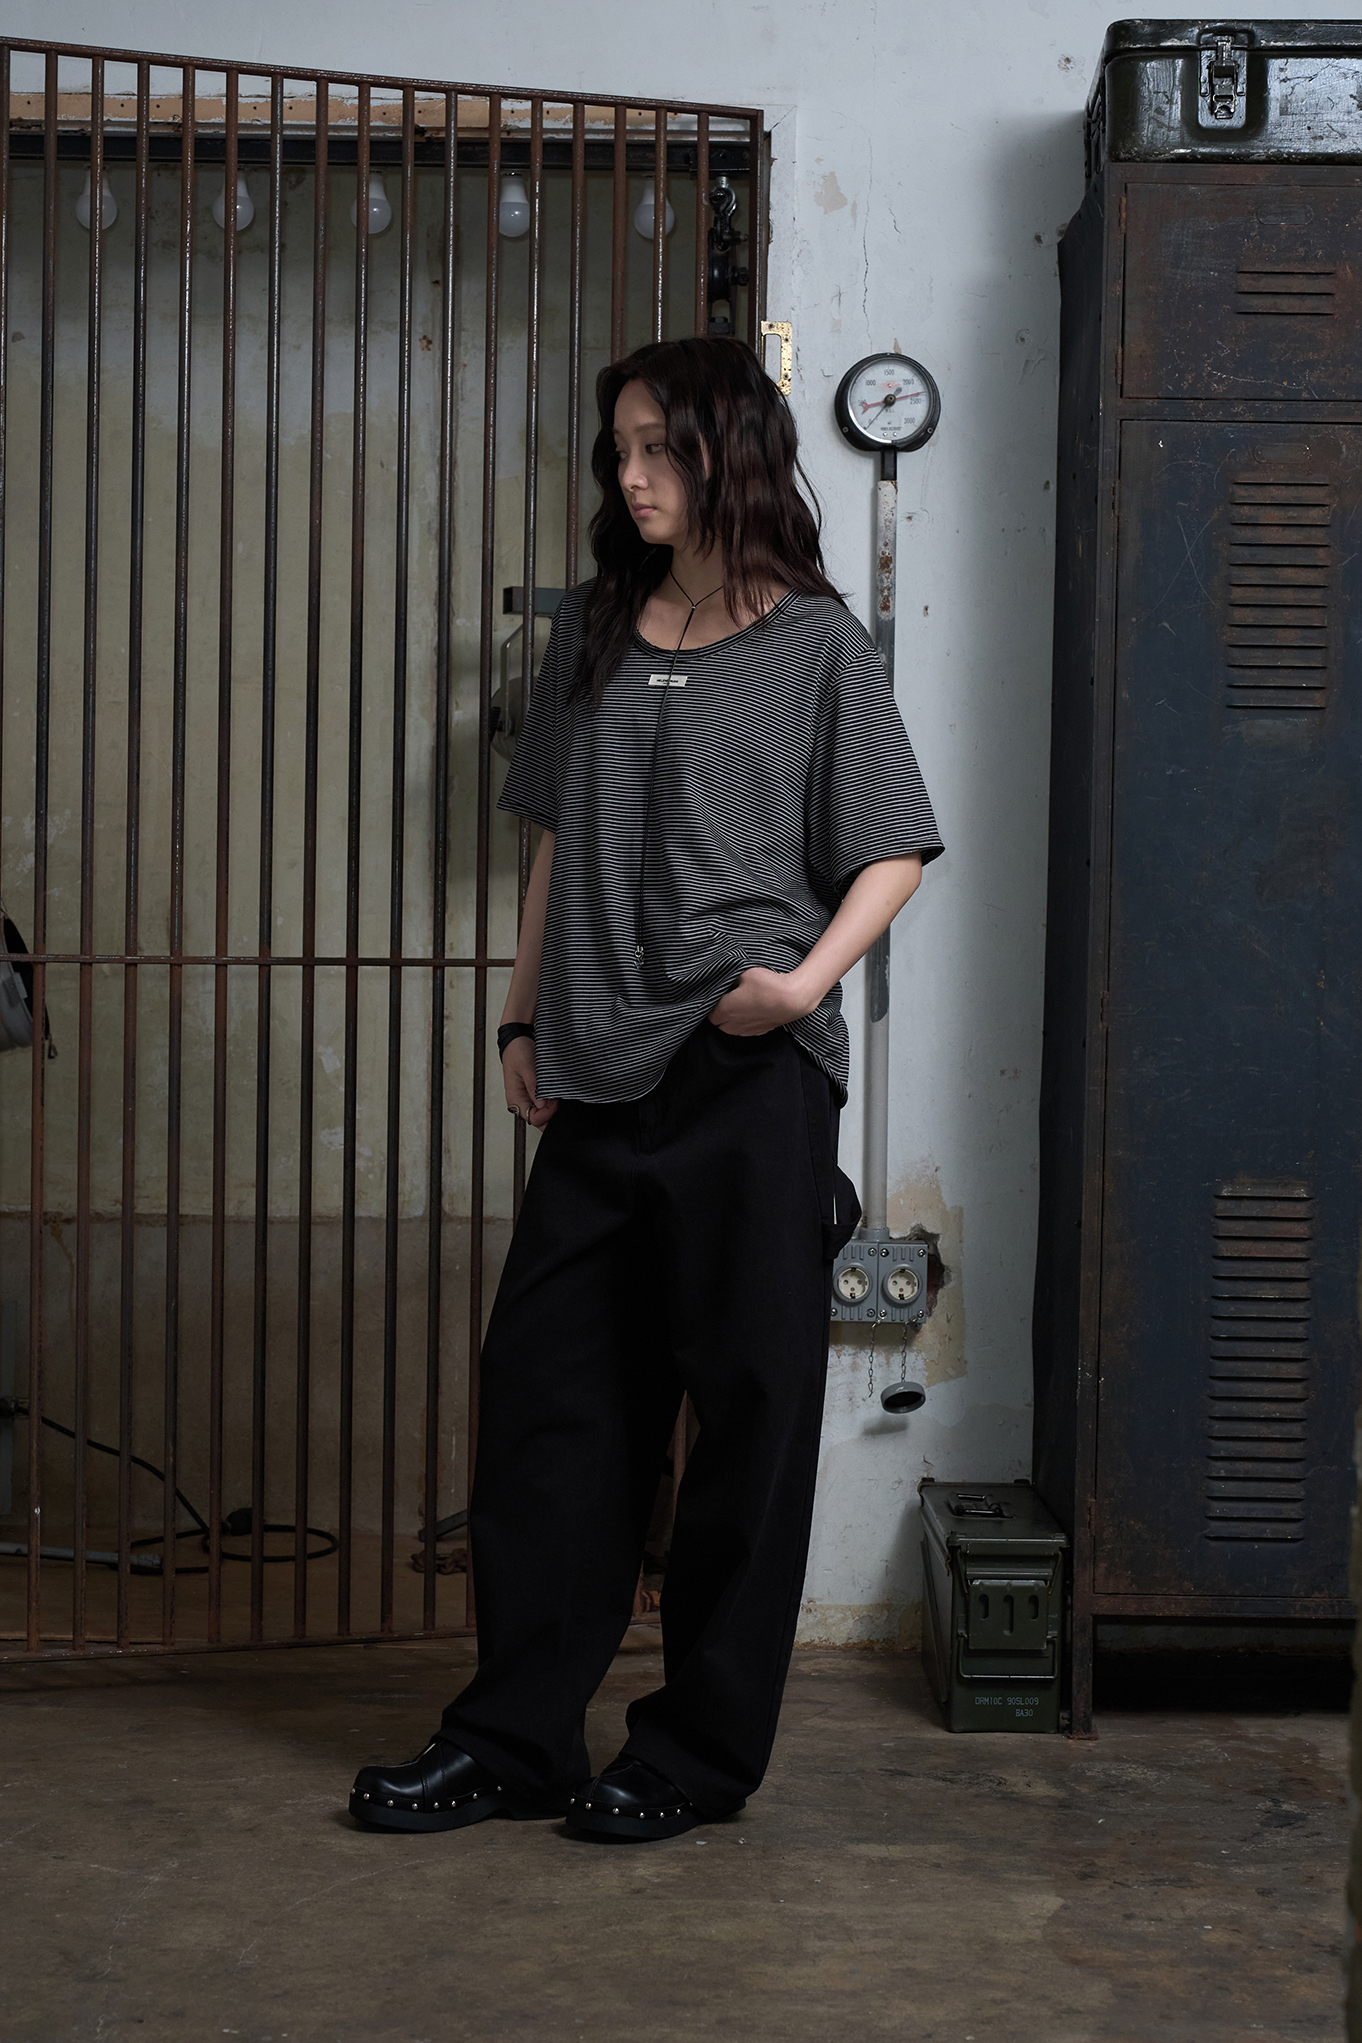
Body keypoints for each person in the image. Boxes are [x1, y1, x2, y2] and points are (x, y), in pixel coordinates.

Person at [350, 335, 942, 1843]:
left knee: (745, 1420)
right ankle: (513, 1739)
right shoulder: (601, 626)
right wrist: (520, 1015)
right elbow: (555, 835)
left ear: (728, 451)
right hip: (600, 1069)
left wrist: (799, 989)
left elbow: (891, 848)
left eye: (659, 448)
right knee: (549, 1406)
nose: (630, 475)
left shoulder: (819, 644)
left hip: (748, 1072)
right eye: (619, 449)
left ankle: (693, 1757)